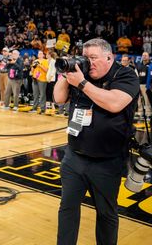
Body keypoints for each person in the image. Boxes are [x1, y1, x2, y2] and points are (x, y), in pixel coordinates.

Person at [53, 38, 139, 245]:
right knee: (67, 208)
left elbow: (115, 103)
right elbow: (58, 98)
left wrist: (82, 83)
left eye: (93, 58)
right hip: (74, 157)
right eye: (85, 57)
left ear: (109, 57)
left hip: (107, 161)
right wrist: (67, 73)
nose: (88, 62)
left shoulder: (125, 75)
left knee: (106, 214)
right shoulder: (81, 74)